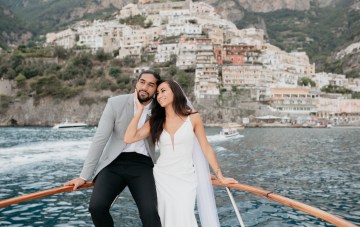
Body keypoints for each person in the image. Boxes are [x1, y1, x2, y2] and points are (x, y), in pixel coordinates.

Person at [124, 80, 238, 227]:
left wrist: (220, 175)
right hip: (161, 179)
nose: (159, 96)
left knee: (185, 219)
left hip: (186, 179)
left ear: (175, 92)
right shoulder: (155, 120)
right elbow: (129, 138)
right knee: (163, 219)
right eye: (157, 93)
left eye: (163, 91)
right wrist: (140, 111)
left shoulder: (193, 117)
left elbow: (206, 147)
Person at [64, 70, 162, 227]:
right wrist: (84, 176)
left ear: (156, 89)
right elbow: (99, 140)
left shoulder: (161, 109)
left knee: (150, 213)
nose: (145, 87)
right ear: (136, 83)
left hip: (143, 165)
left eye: (151, 85)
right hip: (114, 163)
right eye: (142, 82)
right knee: (96, 207)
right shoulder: (115, 103)